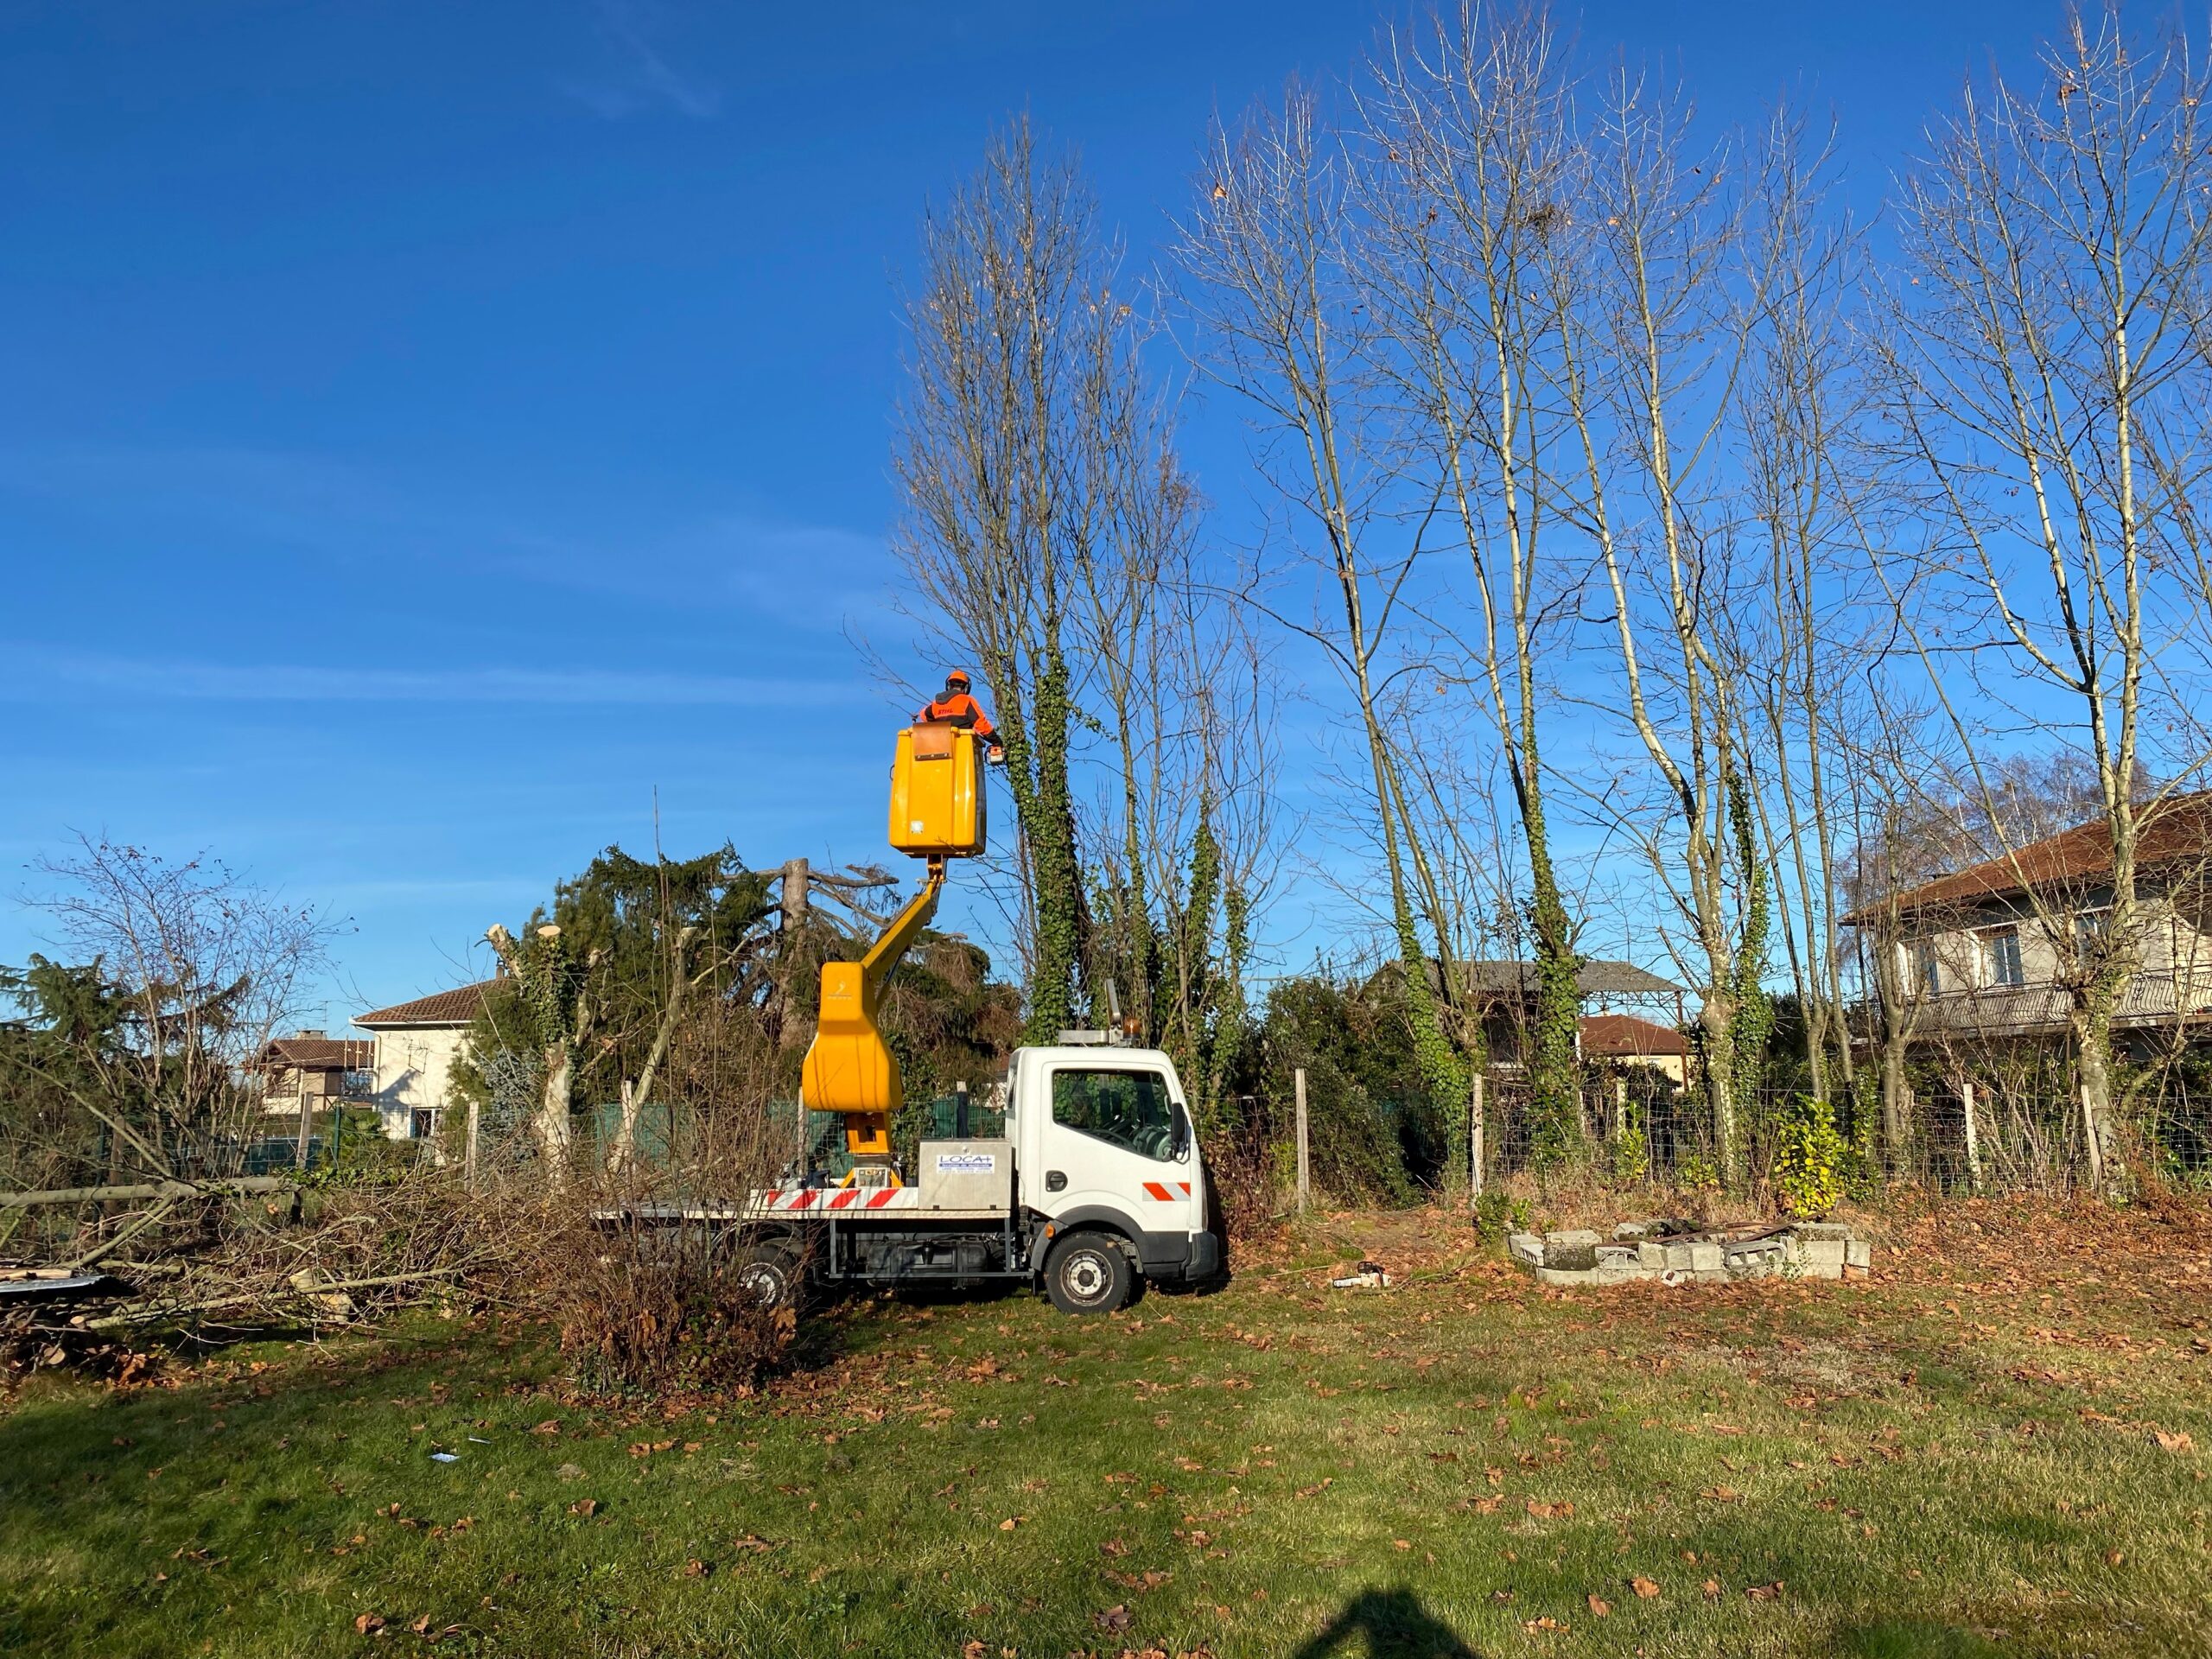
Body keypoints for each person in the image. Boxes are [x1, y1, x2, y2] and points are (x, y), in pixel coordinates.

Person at [915, 669, 1005, 761]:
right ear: (966, 688)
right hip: (962, 751)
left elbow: (923, 716)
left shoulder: (935, 704)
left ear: (949, 685)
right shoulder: (966, 701)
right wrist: (997, 741)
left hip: (939, 752)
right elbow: (982, 725)